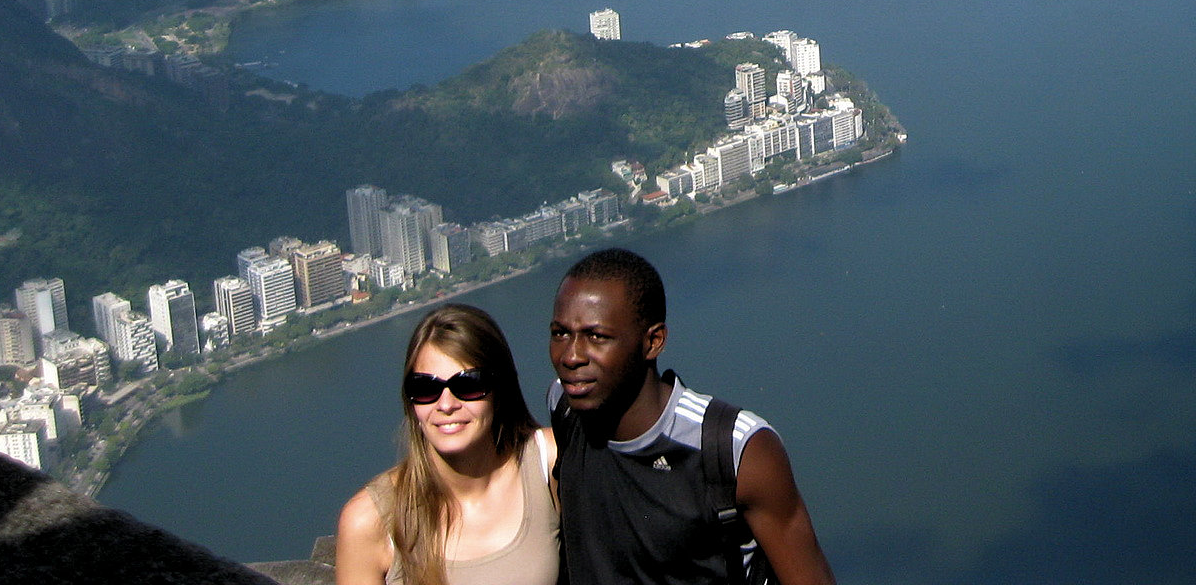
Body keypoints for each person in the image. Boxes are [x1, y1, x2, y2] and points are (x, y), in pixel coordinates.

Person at [549, 248, 835, 585]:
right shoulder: (565, 406)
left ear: (653, 341)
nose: (570, 356)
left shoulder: (734, 448)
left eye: (597, 337)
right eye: (560, 333)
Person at [337, 303, 560, 585]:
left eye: (468, 384)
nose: (446, 405)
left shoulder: (550, 463)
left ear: (500, 389)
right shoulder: (371, 520)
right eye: (426, 388)